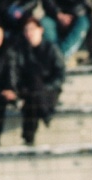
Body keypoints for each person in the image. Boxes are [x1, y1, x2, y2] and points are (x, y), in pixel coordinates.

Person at [13, 17, 65, 147]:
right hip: (29, 90)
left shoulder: (51, 48)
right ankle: (45, 113)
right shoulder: (20, 50)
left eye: (32, 29)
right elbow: (16, 73)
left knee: (34, 96)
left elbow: (60, 74)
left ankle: (28, 138)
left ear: (40, 30)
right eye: (26, 30)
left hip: (49, 90)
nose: (29, 33)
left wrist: (46, 87)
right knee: (34, 90)